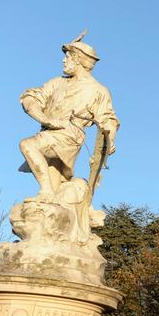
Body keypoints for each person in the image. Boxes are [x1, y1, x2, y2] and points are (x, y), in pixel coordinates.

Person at [18, 31, 119, 203]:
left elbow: (108, 119)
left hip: (69, 135)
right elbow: (31, 98)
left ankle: (46, 192)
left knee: (28, 145)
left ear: (78, 59)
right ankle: (55, 203)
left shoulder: (98, 90)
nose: (64, 61)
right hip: (49, 131)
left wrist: (109, 142)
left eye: (68, 57)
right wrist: (44, 118)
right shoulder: (58, 82)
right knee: (55, 191)